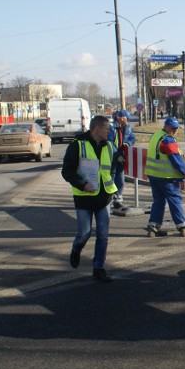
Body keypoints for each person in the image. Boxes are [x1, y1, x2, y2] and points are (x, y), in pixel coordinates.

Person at [62, 115, 118, 283]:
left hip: (104, 197)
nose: (109, 131)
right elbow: (67, 171)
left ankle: (98, 268)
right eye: (106, 128)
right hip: (84, 198)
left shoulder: (109, 146)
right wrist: (82, 184)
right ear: (97, 129)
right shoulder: (77, 145)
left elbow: (113, 167)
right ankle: (76, 249)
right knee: (84, 233)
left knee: (103, 235)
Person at [145, 117, 185, 237]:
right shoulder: (168, 140)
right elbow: (176, 160)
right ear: (167, 126)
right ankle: (182, 226)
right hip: (167, 178)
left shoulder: (156, 135)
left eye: (177, 128)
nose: (175, 131)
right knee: (174, 201)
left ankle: (152, 227)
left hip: (153, 176)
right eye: (173, 128)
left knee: (158, 202)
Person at [107, 110, 136, 210]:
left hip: (121, 157)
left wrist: (128, 143)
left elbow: (132, 138)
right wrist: (117, 155)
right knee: (110, 178)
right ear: (120, 118)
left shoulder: (127, 127)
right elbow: (109, 143)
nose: (127, 121)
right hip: (111, 157)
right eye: (126, 118)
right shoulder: (111, 127)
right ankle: (108, 200)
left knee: (120, 179)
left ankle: (118, 200)